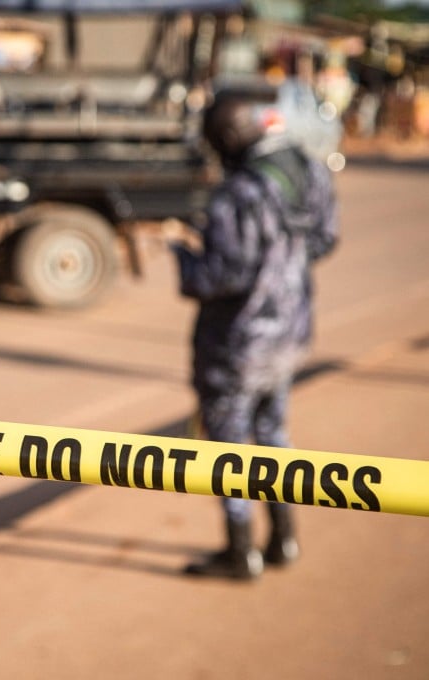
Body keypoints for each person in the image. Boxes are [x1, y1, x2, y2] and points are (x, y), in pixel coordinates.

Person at [167, 88, 339, 580]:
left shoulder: (237, 193)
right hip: (290, 334)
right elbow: (325, 240)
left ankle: (241, 552)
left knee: (227, 450)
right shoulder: (309, 170)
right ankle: (284, 539)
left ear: (226, 137)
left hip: (236, 346)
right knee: (273, 434)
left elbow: (219, 277)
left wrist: (182, 251)